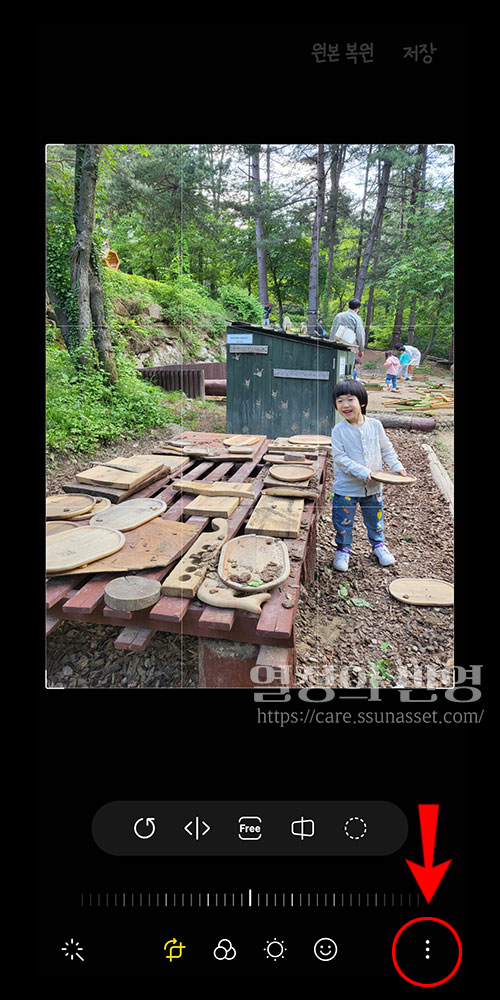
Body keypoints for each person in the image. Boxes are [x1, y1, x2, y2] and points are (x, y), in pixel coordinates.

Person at [331, 379, 408, 571]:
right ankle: (343, 549)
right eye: (339, 401)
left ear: (362, 402)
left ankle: (378, 546)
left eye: (350, 399)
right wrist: (365, 472)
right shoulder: (338, 431)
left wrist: (397, 466)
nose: (345, 405)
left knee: (375, 518)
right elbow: (340, 458)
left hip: (373, 487)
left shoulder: (375, 425)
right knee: (343, 520)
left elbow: (386, 449)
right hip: (346, 488)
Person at [329, 298, 365, 363]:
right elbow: (360, 335)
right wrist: (361, 349)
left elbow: (333, 331)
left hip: (337, 345)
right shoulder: (357, 318)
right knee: (348, 366)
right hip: (350, 347)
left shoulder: (338, 316)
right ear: (357, 309)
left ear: (348, 306)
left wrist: (331, 344)